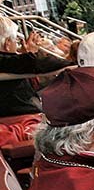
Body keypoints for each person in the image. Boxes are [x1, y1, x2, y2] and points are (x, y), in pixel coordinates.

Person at [0, 17, 74, 147]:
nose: (18, 46)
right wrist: (74, 63)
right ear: (7, 44)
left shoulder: (10, 63)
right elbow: (34, 62)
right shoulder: (9, 62)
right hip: (24, 122)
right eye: (15, 41)